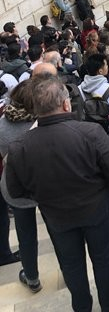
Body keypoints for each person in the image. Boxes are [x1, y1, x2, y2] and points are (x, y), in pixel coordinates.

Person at [6, 75, 109, 312]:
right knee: (103, 258)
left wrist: (44, 197)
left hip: (57, 216)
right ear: (66, 104)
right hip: (95, 211)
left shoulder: (20, 146)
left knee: (71, 265)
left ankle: (82, 306)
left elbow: (16, 191)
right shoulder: (90, 132)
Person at [0, 80, 41, 292]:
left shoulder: (2, 124)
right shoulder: (44, 123)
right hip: (45, 183)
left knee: (25, 232)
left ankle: (32, 277)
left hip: (15, 185)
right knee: (57, 228)